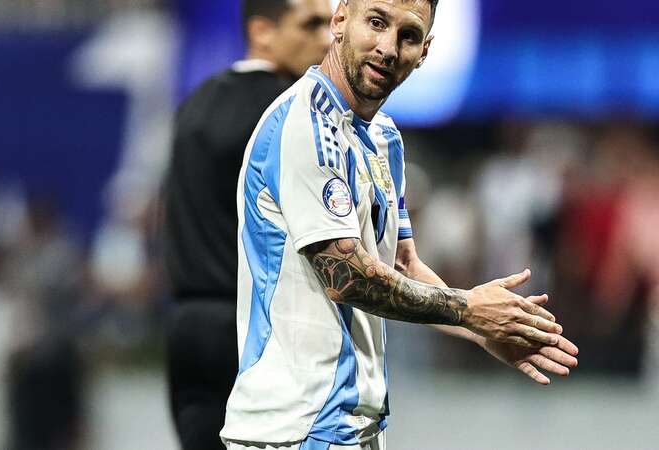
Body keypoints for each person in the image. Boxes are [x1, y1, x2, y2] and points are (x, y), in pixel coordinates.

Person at [221, 1, 580, 449]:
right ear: (339, 21)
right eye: (376, 22)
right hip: (293, 428)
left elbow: (403, 266)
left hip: (355, 427)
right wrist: (469, 309)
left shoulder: (384, 137)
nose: (388, 47)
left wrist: (480, 329)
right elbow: (346, 275)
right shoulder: (304, 123)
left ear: (424, 52)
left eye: (408, 36)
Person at [163, 0, 333, 449]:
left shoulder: (193, 105)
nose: (328, 38)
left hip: (186, 328)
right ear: (262, 32)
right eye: (311, 24)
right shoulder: (289, 113)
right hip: (253, 335)